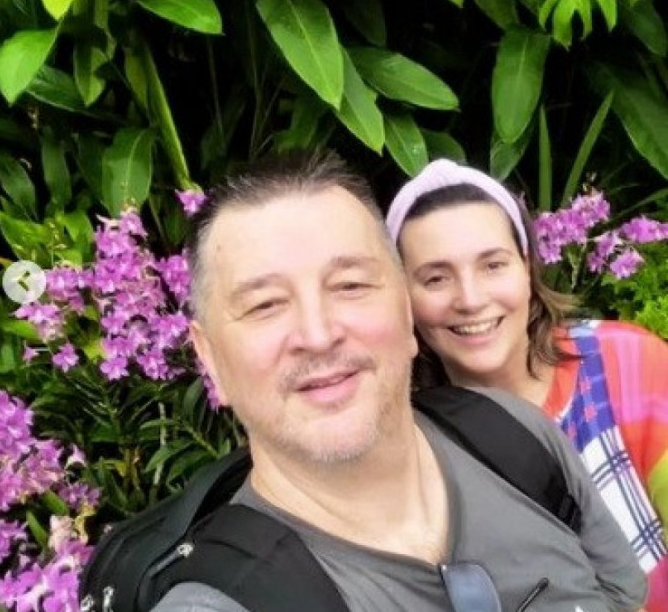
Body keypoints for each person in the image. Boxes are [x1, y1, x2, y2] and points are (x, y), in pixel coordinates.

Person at [154, 151, 646, 612]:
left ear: (406, 312)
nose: (319, 335)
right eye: (265, 305)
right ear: (209, 357)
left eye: (350, 285)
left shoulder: (516, 437)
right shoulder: (216, 602)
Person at [386, 157, 667, 612]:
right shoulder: (411, 447)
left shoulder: (627, 363)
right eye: (436, 278)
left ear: (527, 268)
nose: (470, 299)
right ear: (403, 298)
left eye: (493, 265)